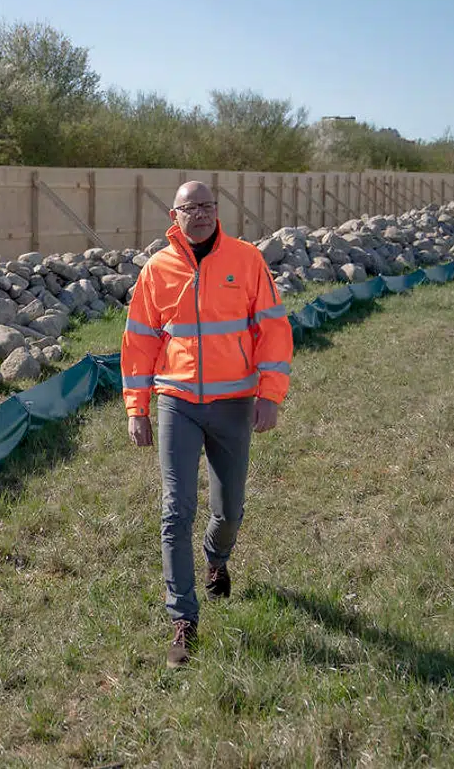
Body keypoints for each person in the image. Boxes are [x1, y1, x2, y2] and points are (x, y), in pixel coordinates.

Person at [121, 180, 293, 668]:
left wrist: (269, 395)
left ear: (218, 211)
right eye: (190, 207)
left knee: (230, 510)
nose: (200, 213)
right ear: (173, 216)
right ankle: (183, 619)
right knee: (176, 509)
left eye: (208, 205)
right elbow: (139, 341)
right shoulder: (157, 270)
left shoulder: (246, 260)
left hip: (235, 402)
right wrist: (137, 407)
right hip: (177, 402)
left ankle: (216, 560)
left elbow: (273, 330)